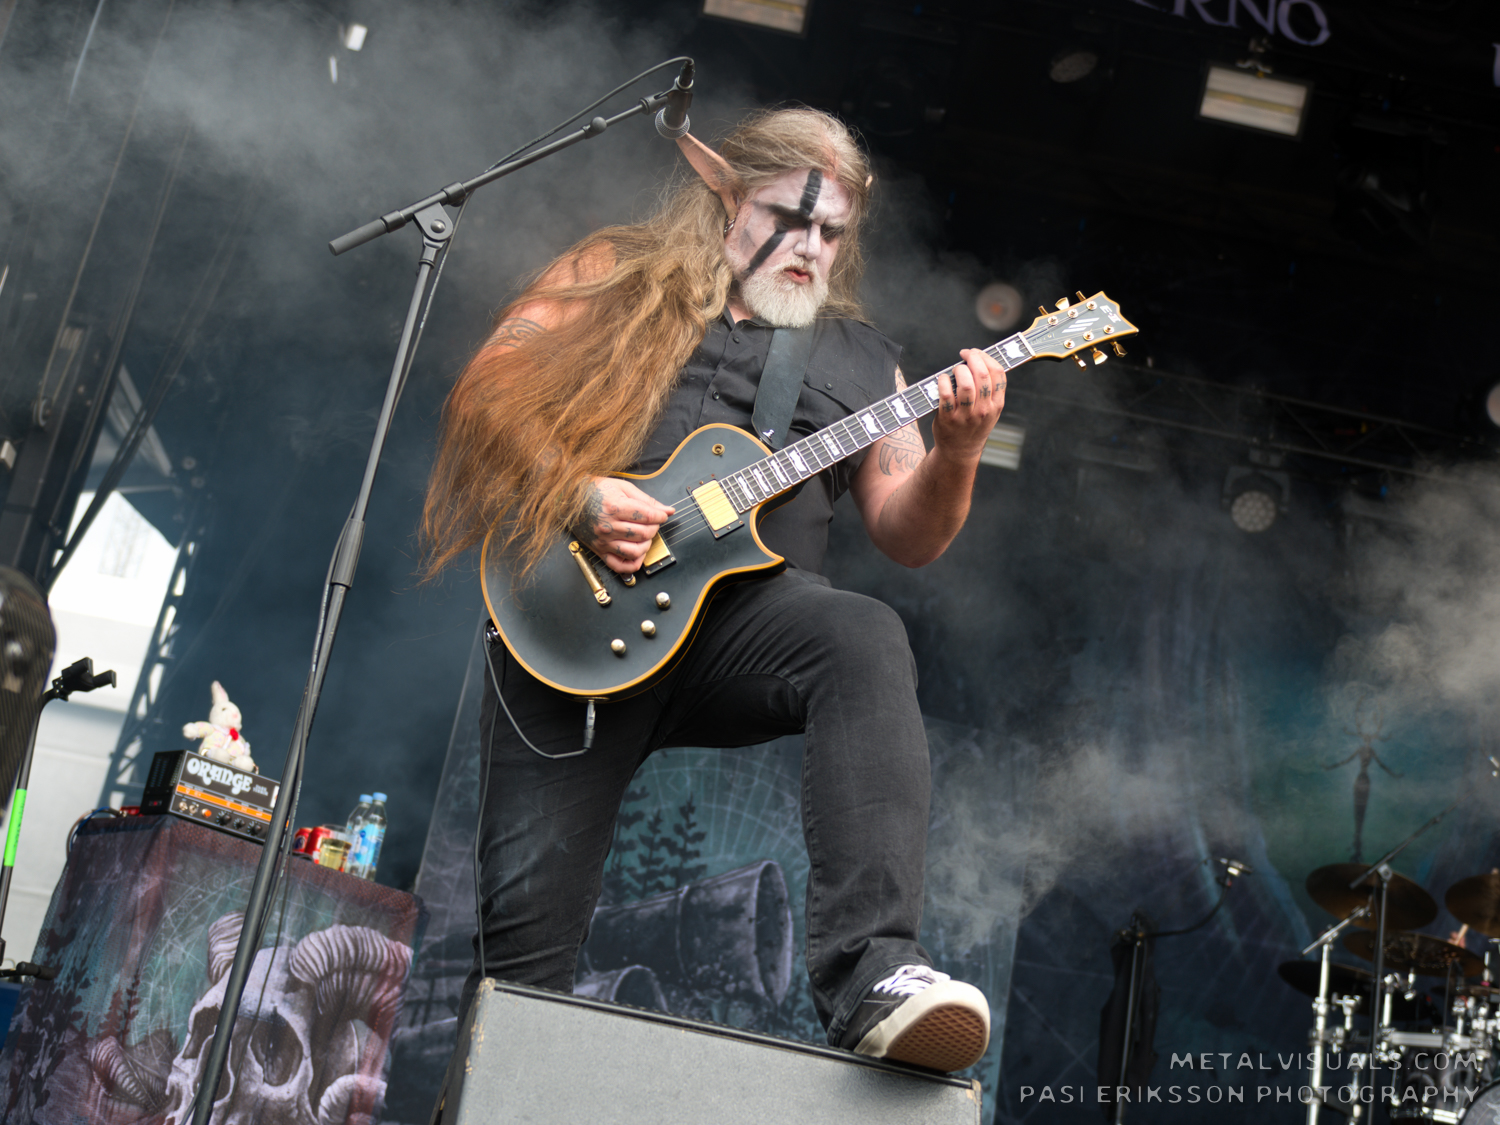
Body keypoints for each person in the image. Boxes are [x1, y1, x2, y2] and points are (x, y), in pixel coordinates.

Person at [422, 107, 1008, 1074]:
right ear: (726, 198)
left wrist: (962, 448)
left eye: (833, 232)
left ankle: (873, 972)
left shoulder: (864, 359)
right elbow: (488, 392)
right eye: (790, 218)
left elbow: (909, 534)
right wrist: (575, 494)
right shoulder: (613, 274)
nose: (811, 247)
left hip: (749, 622)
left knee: (863, 634)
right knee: (518, 968)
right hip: (569, 618)